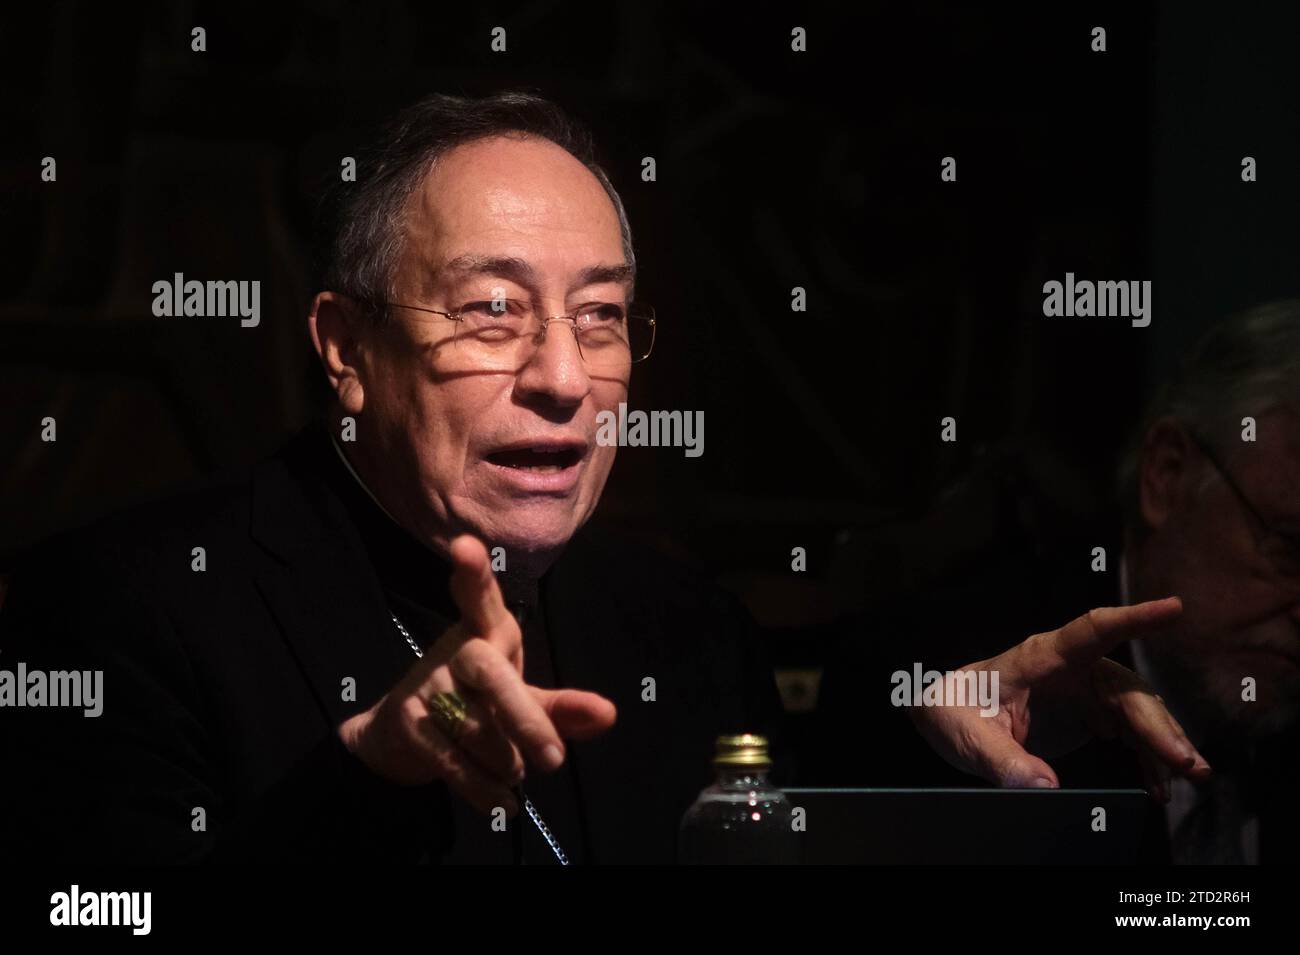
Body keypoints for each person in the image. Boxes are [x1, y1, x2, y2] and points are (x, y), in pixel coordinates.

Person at [0, 91, 1206, 864]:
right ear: (346, 349)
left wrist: (929, 758)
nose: (564, 376)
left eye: (602, 317)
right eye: (492, 311)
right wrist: (359, 786)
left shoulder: (675, 622)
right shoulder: (118, 609)